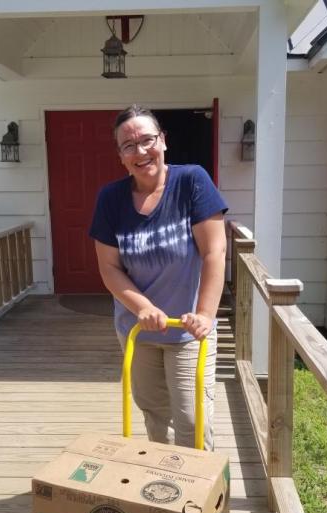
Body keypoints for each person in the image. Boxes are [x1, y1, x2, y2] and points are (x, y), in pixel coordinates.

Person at [89, 104, 228, 451]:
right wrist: (143, 308)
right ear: (120, 155)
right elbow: (109, 268)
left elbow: (214, 253)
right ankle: (162, 488)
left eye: (147, 140)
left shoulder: (192, 181)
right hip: (139, 328)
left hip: (187, 330)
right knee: (154, 415)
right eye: (129, 145)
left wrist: (205, 315)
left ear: (163, 141)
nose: (141, 151)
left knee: (192, 421)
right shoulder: (110, 199)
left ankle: (198, 496)